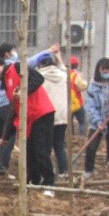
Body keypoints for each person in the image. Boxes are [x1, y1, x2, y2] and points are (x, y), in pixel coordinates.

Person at [3, 59, 56, 193]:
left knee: (40, 151)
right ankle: (33, 180)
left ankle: (49, 183)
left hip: (40, 113)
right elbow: (13, 110)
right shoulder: (6, 82)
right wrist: (6, 136)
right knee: (29, 152)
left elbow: (38, 78)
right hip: (28, 118)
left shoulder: (17, 67)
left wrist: (23, 91)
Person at [34, 47, 71, 179]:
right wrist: (59, 58)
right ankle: (64, 171)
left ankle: (47, 173)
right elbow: (64, 69)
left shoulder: (38, 78)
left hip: (46, 116)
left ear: (40, 64)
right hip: (63, 116)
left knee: (45, 147)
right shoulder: (64, 76)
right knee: (59, 145)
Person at [68, 56, 88, 137]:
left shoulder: (64, 74)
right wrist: (85, 83)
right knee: (82, 121)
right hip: (77, 102)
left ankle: (71, 138)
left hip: (68, 103)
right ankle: (81, 138)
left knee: (70, 123)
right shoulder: (76, 75)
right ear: (76, 65)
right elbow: (81, 87)